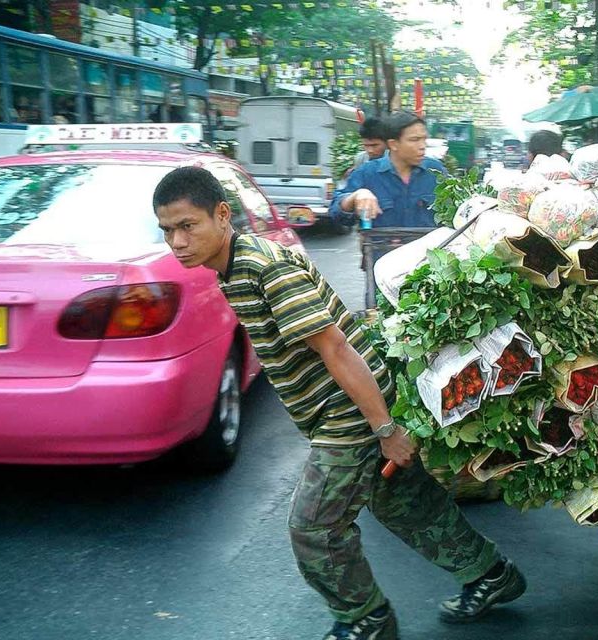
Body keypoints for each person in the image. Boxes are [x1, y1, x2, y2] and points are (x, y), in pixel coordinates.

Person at [152, 166, 526, 640]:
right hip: (345, 406)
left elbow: (336, 348)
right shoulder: (230, 270)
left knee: (314, 528)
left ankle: (366, 618)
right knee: (406, 505)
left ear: (222, 215)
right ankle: (492, 575)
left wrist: (385, 429)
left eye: (188, 226)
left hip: (349, 412)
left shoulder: (264, 269)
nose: (178, 241)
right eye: (168, 230)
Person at [330, 111, 443, 229]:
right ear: (393, 144)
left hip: (429, 247)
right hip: (383, 247)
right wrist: (354, 197)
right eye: (414, 140)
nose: (422, 146)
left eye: (424, 139)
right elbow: (336, 213)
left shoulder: (435, 171)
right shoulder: (367, 173)